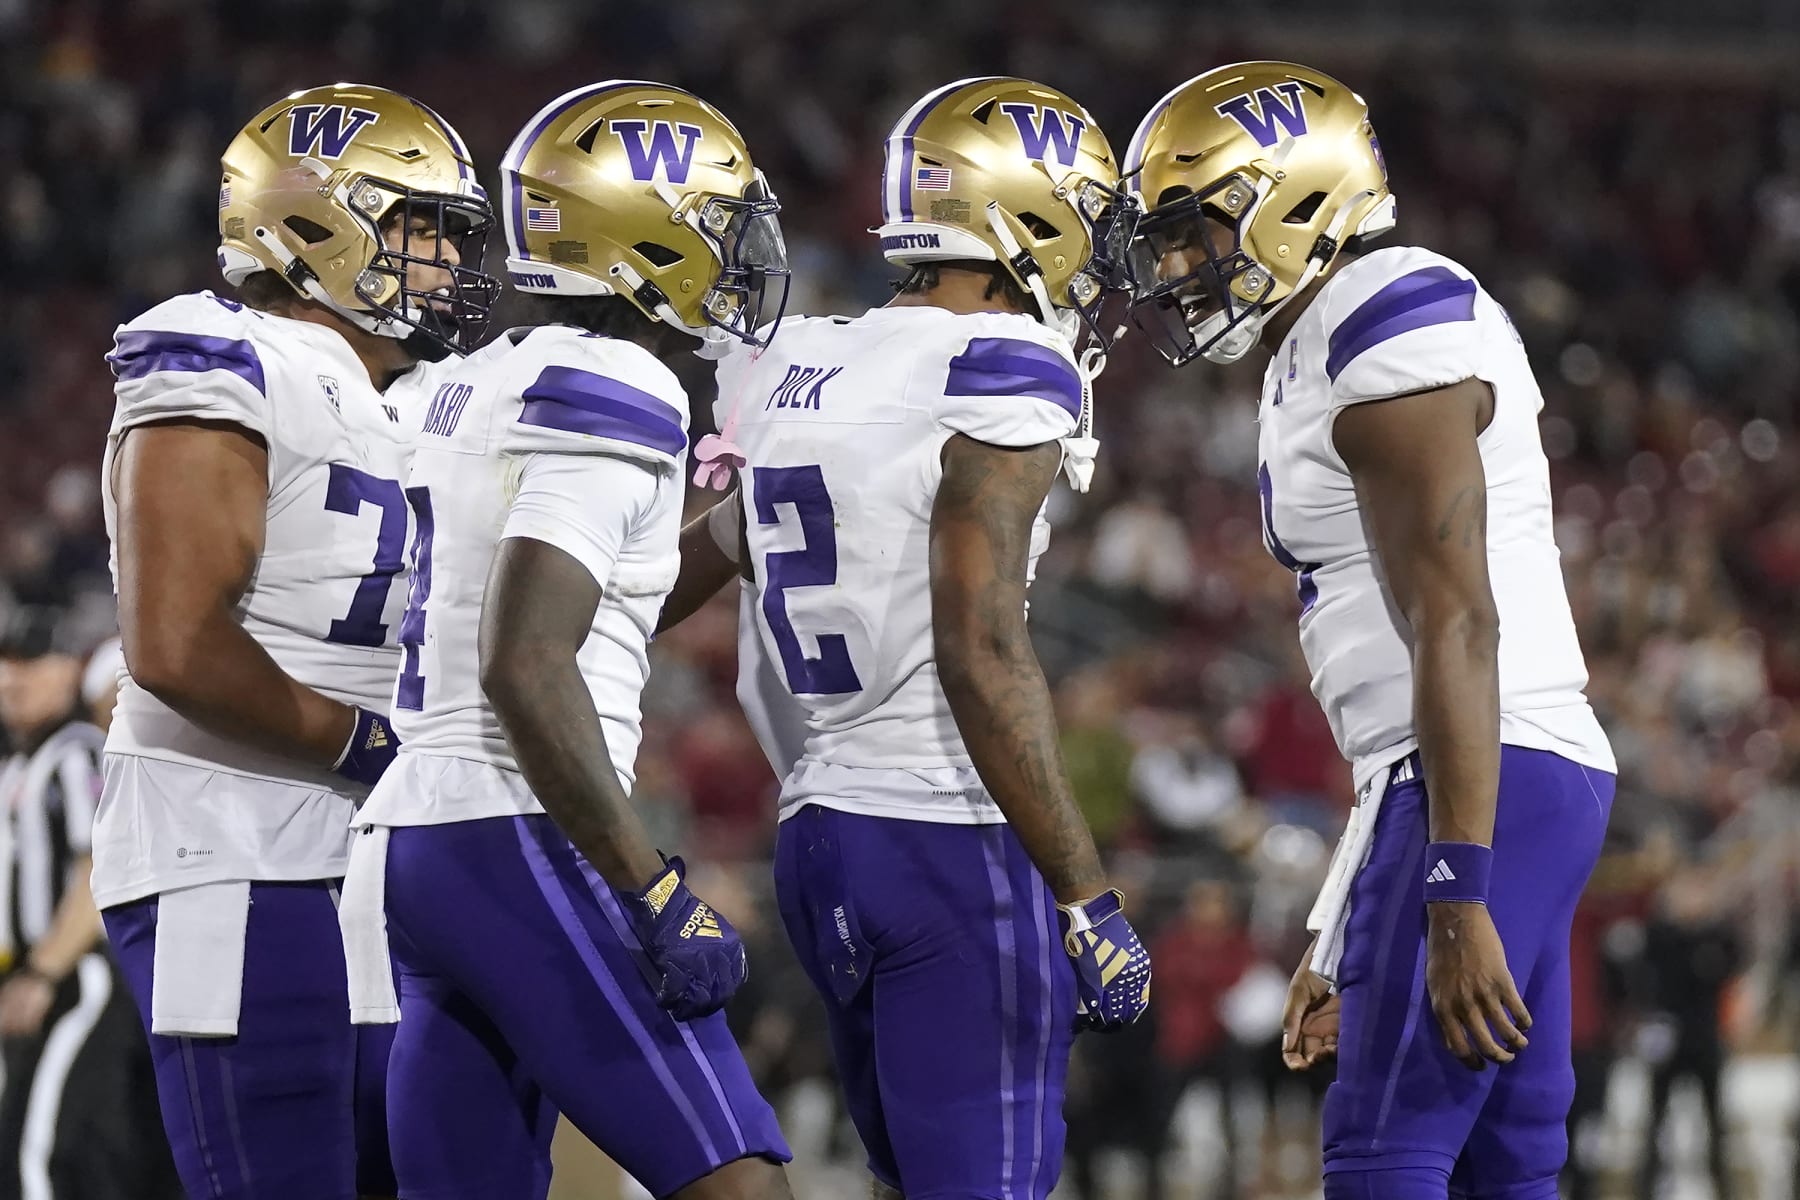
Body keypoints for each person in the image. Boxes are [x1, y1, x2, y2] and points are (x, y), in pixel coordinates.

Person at [1123, 61, 1618, 1199]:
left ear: (1289, 202)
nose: (1181, 265)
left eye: (1196, 230)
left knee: (1384, 1147)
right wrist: (1351, 925)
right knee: (1510, 1157)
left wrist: (1451, 889)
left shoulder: (1384, 317)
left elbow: (1455, 618)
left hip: (1486, 774)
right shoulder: (1332, 330)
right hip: (1487, 774)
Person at [657, 76, 1151, 1199]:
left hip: (821, 833)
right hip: (945, 835)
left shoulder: (793, 357)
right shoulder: (1001, 363)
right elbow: (980, 645)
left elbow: (705, 560)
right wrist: (1085, 892)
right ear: (1023, 216)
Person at [337, 81, 793, 1200]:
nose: (735, 256)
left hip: (412, 843)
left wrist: (727, 534)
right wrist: (648, 883)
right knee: (738, 1177)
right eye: (717, 225)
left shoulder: (462, 383)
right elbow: (527, 662)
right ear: (645, 232)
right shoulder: (615, 379)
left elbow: (596, 598)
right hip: (516, 825)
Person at [95, 83, 496, 1200]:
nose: (447, 266)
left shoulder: (398, 401)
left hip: (358, 861)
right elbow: (172, 645)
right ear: (327, 224)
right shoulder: (222, 352)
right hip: (230, 854)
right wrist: (374, 745)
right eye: (422, 231)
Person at [0, 607, 178, 1200]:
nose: (11, 677)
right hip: (37, 978)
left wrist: (43, 970)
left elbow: (96, 865)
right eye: (5, 662)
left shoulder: (77, 753)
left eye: (30, 661)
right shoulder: (24, 762)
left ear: (67, 670)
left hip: (79, 976)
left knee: (44, 1149)